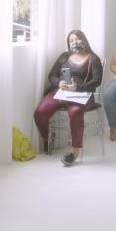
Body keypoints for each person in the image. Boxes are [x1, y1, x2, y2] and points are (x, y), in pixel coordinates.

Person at [33, 30, 103, 166]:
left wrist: (78, 87)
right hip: (61, 91)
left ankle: (74, 151)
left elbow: (97, 81)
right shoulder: (64, 56)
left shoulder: (93, 58)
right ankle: (47, 138)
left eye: (77, 39)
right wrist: (58, 83)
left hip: (82, 94)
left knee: (75, 111)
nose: (74, 42)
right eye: (71, 40)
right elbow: (52, 75)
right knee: (40, 112)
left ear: (84, 40)